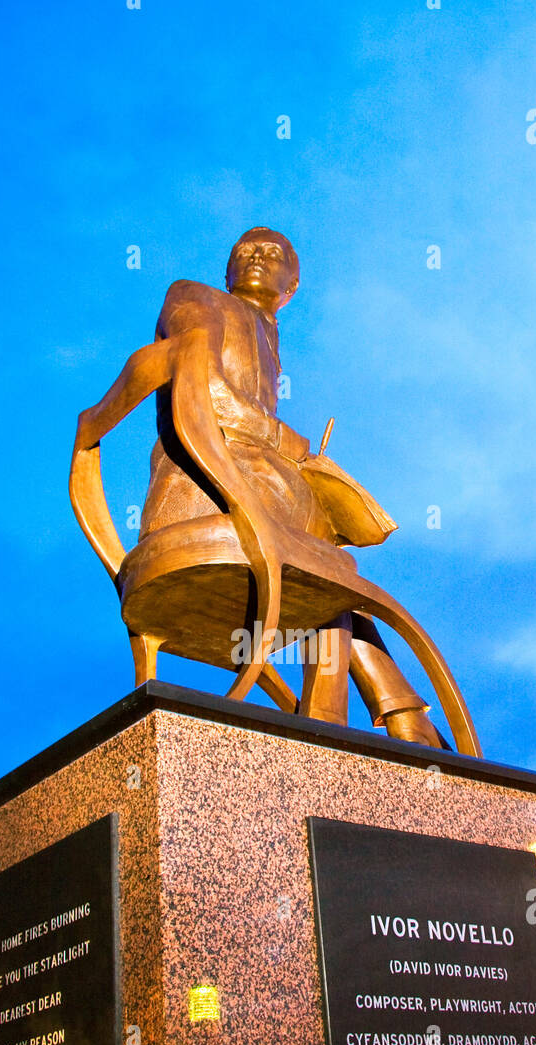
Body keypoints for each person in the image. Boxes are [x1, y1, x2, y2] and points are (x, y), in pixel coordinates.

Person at [135, 227, 446, 747]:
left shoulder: (269, 340)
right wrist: (288, 443)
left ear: (292, 286)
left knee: (328, 567)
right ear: (226, 272)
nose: (257, 257)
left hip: (254, 502)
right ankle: (373, 718)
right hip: (198, 501)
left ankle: (375, 719)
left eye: (273, 254)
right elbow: (199, 388)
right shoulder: (194, 295)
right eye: (244, 252)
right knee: (331, 566)